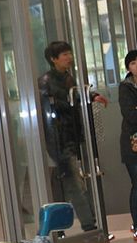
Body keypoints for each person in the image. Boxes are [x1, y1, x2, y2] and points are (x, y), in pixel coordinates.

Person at [38, 40, 108, 231]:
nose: (69, 58)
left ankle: (60, 226)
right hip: (59, 140)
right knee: (73, 183)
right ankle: (89, 225)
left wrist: (91, 96)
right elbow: (65, 100)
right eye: (64, 55)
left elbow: (74, 96)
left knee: (69, 182)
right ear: (53, 59)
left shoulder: (68, 77)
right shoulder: (46, 81)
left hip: (72, 137)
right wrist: (85, 96)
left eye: (70, 53)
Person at [119, 49, 137, 240]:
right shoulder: (125, 88)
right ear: (128, 68)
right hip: (133, 144)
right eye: (133, 63)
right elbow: (131, 115)